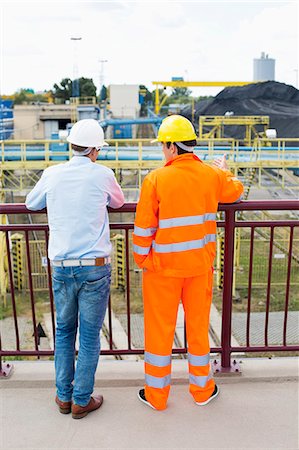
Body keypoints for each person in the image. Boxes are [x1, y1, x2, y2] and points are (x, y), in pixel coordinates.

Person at [133, 115, 243, 411]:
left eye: (163, 146)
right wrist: (226, 170)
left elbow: (143, 229)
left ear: (171, 146)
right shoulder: (211, 175)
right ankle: (202, 390)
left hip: (162, 270)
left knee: (159, 331)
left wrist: (142, 259)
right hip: (198, 268)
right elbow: (236, 190)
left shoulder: (155, 179)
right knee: (197, 329)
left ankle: (157, 397)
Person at [26, 119, 124, 419]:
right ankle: (82, 399)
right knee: (90, 336)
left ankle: (63, 396)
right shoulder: (103, 174)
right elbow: (118, 203)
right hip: (94, 268)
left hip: (62, 267)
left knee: (65, 331)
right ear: (95, 150)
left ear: (71, 146)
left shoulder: (53, 174)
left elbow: (31, 203)